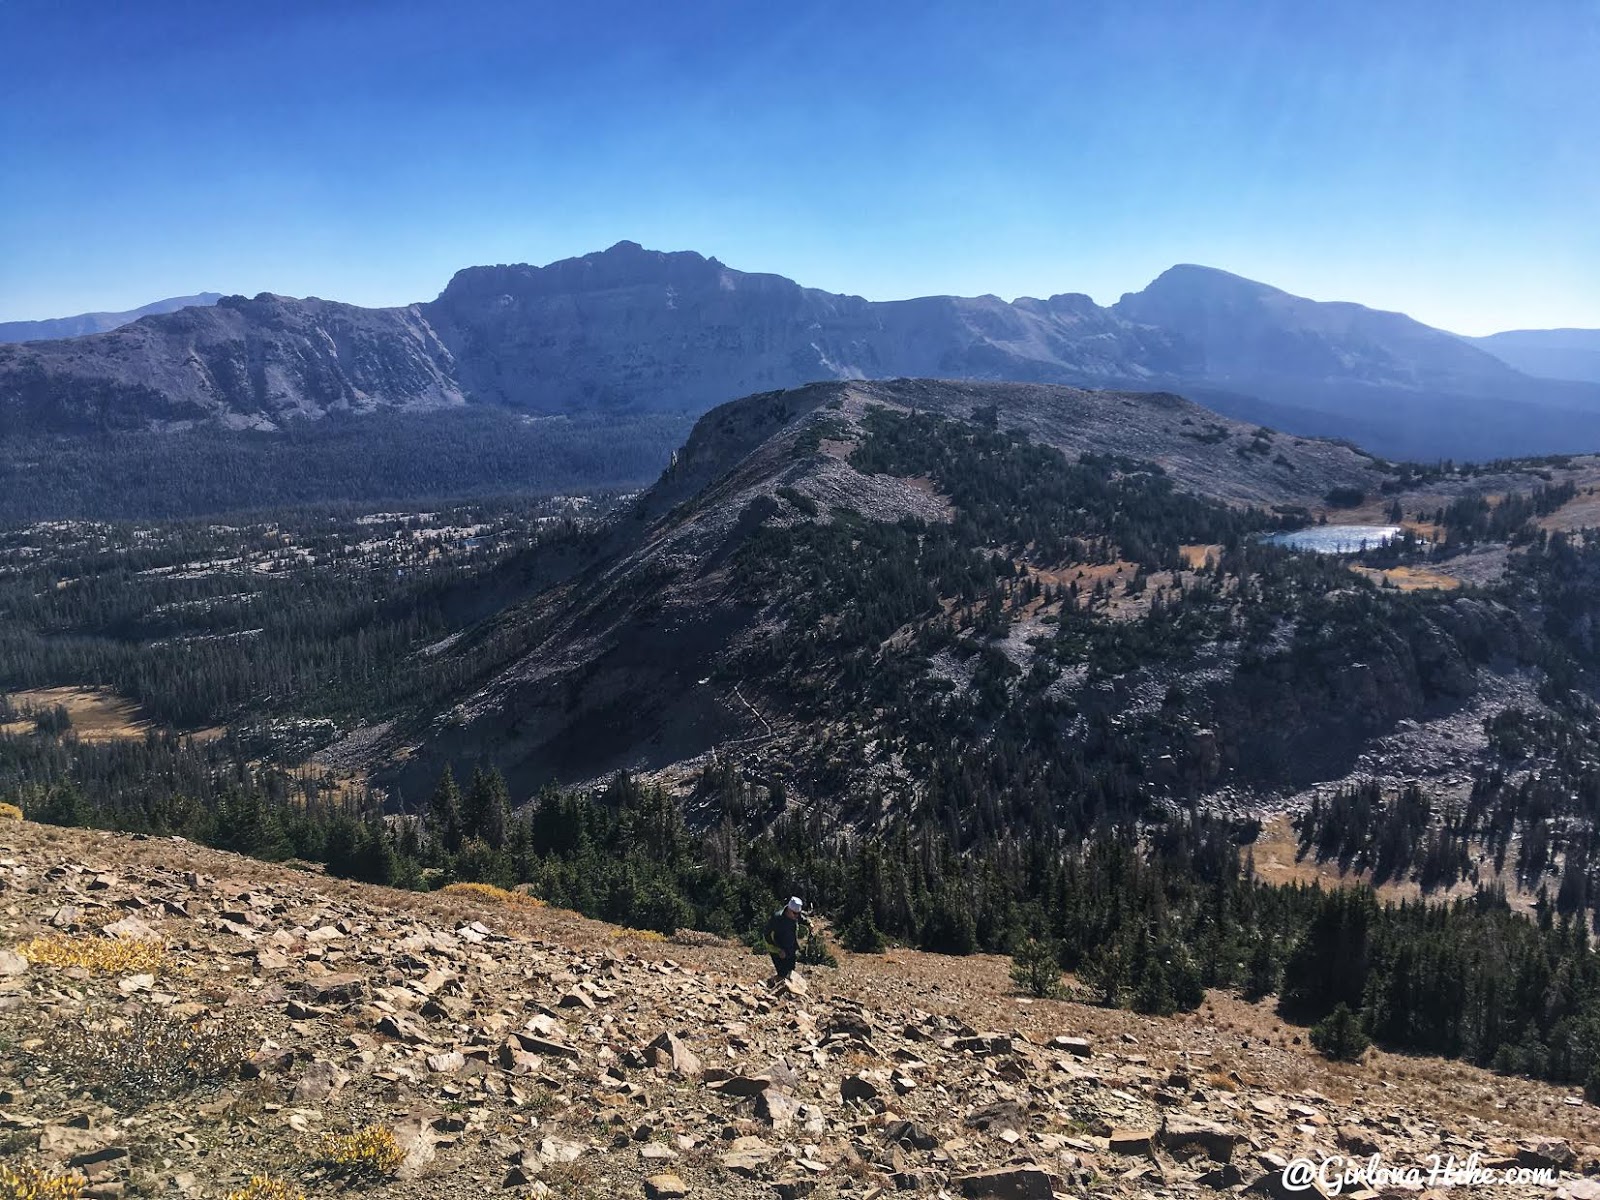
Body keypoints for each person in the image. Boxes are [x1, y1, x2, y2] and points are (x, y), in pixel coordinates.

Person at [763, 896, 807, 986]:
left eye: (798, 913)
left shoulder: (795, 915)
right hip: (777, 949)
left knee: (790, 972)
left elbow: (801, 918)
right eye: (795, 913)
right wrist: (778, 950)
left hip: (790, 947)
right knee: (782, 974)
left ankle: (786, 990)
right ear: (789, 910)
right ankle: (770, 983)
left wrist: (808, 923)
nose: (797, 916)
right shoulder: (777, 919)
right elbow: (767, 935)